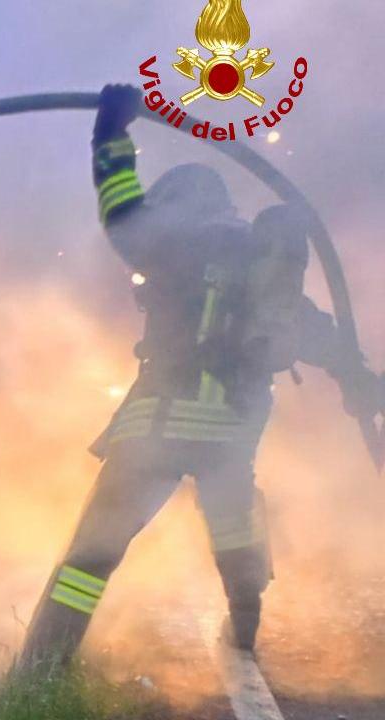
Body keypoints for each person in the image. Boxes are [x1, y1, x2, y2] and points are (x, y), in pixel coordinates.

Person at [19, 84, 380, 667]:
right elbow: (315, 333)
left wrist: (110, 133)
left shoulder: (176, 243)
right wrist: (359, 380)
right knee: (235, 530)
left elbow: (121, 216)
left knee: (88, 561)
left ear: (180, 203)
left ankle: (40, 672)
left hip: (157, 426)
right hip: (231, 435)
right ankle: (243, 628)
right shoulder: (258, 256)